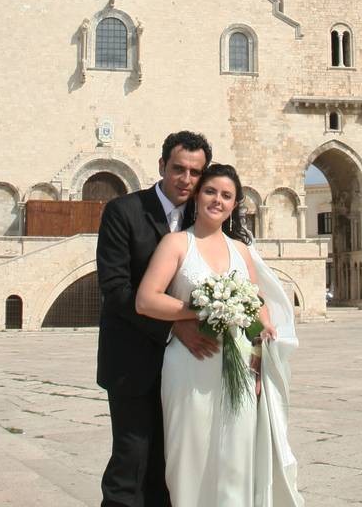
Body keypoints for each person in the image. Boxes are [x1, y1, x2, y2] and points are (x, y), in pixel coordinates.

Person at [136, 164, 305, 506]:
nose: (217, 200)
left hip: (240, 365)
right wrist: (201, 310)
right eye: (211, 191)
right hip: (190, 364)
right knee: (190, 454)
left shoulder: (241, 251)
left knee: (236, 457)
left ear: (234, 205)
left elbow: (256, 304)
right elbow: (146, 299)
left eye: (226, 196)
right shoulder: (176, 243)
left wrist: (261, 348)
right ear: (197, 196)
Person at [96, 131, 220, 507]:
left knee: (172, 465)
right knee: (131, 462)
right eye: (178, 169)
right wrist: (174, 324)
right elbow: (116, 288)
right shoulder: (124, 211)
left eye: (195, 173)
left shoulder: (205, 221)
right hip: (133, 360)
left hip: (187, 367)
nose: (186, 179)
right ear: (162, 166)